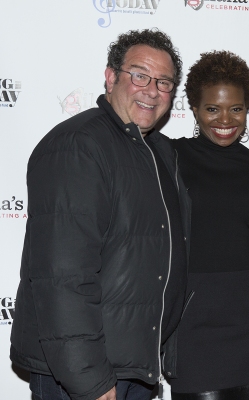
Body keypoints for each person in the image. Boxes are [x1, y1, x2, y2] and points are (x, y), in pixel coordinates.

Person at [10, 28, 189, 400]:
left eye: (164, 82)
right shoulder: (78, 146)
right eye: (139, 75)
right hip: (86, 376)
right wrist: (89, 378)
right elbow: (62, 275)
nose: (152, 90)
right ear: (111, 77)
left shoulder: (158, 153)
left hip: (135, 368)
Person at [168, 50, 249, 399]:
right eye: (212, 108)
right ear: (195, 110)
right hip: (194, 323)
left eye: (236, 108)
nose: (225, 119)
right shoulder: (169, 157)